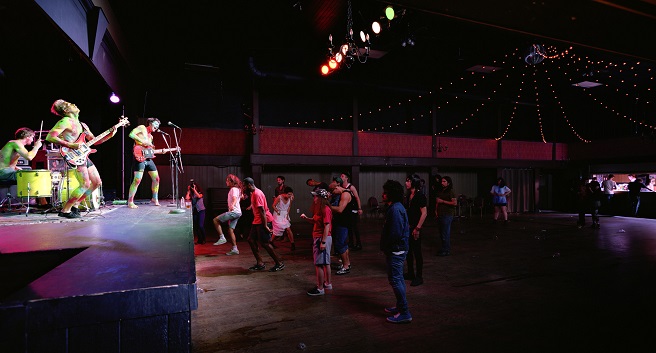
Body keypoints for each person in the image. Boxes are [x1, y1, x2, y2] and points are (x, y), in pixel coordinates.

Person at [46, 99, 117, 218]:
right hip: (74, 155)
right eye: (70, 104)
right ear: (66, 110)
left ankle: (76, 204)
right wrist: (71, 145)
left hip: (83, 156)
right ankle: (65, 210)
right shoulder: (65, 121)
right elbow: (50, 137)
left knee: (96, 182)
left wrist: (111, 134)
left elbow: (95, 141)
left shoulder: (82, 125)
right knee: (85, 184)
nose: (74, 104)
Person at [380, 179, 411, 324]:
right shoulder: (395, 207)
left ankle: (404, 312)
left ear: (391, 194)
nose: (382, 195)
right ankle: (400, 307)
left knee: (396, 280)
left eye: (385, 193)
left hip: (396, 250)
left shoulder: (396, 209)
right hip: (396, 249)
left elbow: (396, 233)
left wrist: (387, 246)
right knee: (397, 279)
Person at [127, 117, 175, 209]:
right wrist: (144, 141)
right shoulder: (142, 128)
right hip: (140, 156)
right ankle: (130, 201)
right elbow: (131, 134)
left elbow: (151, 150)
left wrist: (164, 151)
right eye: (155, 124)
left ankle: (154, 198)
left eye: (158, 126)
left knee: (156, 178)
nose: (157, 127)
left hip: (148, 158)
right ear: (150, 123)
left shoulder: (151, 137)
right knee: (137, 180)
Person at [243, 177, 285, 272]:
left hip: (263, 220)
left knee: (265, 243)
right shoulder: (253, 193)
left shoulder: (257, 193)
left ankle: (279, 263)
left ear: (249, 185)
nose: (244, 187)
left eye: (245, 185)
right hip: (257, 220)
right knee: (251, 240)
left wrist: (265, 225)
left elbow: (262, 210)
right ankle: (260, 263)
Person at [301, 188, 333, 296]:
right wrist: (306, 218)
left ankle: (320, 288)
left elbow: (327, 226)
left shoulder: (325, 209)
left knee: (319, 264)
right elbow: (315, 221)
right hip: (321, 237)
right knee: (325, 263)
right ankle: (327, 283)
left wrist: (323, 242)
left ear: (320, 198)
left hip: (322, 238)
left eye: (315, 196)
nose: (314, 198)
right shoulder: (320, 209)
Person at [329, 176, 355, 276]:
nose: (332, 193)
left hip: (343, 223)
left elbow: (340, 209)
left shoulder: (345, 194)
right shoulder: (341, 194)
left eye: (332, 191)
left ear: (337, 187)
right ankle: (346, 264)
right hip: (341, 222)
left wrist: (327, 205)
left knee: (340, 244)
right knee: (343, 244)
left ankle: (345, 266)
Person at [404, 174, 427, 287]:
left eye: (408, 181)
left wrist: (417, 228)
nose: (406, 183)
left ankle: (419, 277)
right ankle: (411, 273)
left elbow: (424, 213)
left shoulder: (420, 196)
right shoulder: (409, 195)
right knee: (408, 252)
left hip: (415, 228)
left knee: (417, 253)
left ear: (414, 182)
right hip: (408, 228)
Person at [213, 174, 242, 255]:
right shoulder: (237, 189)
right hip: (238, 212)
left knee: (215, 220)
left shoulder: (233, 189)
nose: (226, 182)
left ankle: (222, 238)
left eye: (227, 180)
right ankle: (235, 249)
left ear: (231, 181)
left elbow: (235, 198)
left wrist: (232, 205)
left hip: (234, 212)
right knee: (230, 230)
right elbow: (240, 197)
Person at [340, 172, 363, 251]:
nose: (341, 177)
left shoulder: (351, 187)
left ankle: (358, 244)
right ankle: (351, 243)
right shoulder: (340, 186)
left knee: (354, 227)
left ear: (346, 178)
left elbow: (357, 197)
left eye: (342, 176)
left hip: (353, 209)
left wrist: (359, 208)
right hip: (347, 210)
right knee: (349, 227)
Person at [436, 176, 457, 256]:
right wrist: (436, 211)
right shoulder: (442, 190)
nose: (442, 183)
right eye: (442, 181)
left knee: (445, 233)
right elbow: (437, 201)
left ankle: (446, 250)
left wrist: (443, 201)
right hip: (441, 213)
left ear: (448, 182)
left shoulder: (451, 191)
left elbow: (454, 203)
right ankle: (444, 248)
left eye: (444, 181)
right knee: (441, 232)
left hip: (447, 214)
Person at [271, 186, 296, 251]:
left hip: (285, 214)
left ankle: (292, 243)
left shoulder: (291, 198)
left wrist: (287, 214)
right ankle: (271, 241)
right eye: (288, 194)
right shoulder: (279, 197)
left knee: (288, 229)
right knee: (277, 230)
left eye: (291, 194)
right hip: (278, 214)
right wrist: (277, 211)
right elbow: (273, 205)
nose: (289, 196)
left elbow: (289, 206)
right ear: (285, 193)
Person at [186, 179, 207, 244]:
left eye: (195, 187)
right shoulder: (192, 195)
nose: (194, 188)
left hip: (201, 211)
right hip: (195, 211)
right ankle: (199, 240)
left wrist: (195, 190)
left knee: (200, 225)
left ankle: (204, 238)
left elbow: (198, 196)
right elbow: (187, 198)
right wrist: (189, 190)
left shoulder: (200, 193)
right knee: (196, 226)